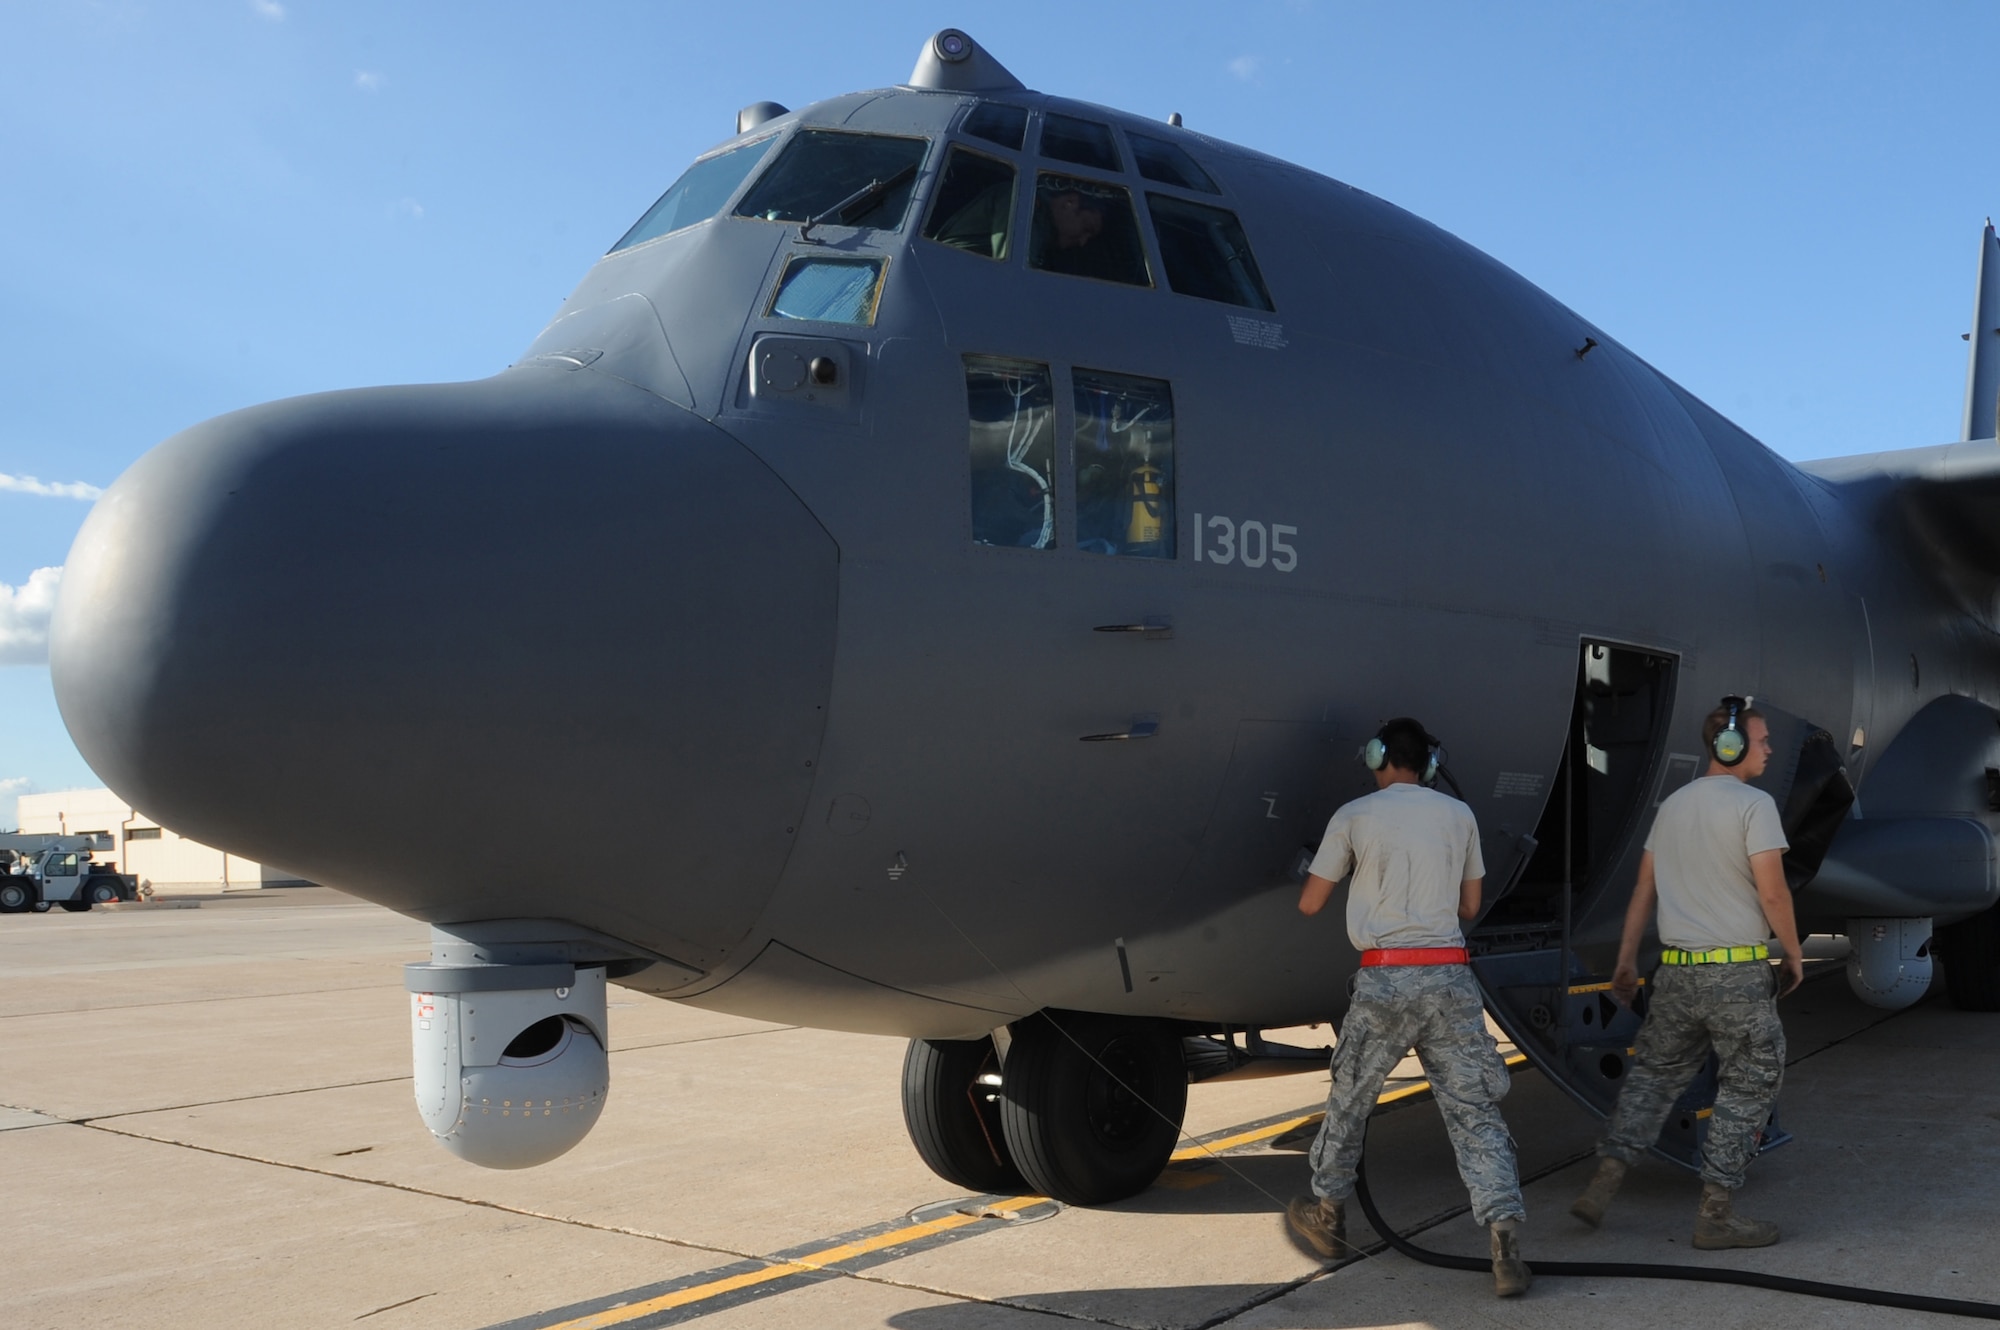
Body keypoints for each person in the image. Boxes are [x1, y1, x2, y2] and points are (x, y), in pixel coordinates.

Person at [1285, 717, 1530, 1298]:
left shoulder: (1353, 816)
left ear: (1376, 758)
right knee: (1475, 1113)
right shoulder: (1459, 815)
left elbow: (1310, 903)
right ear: (1430, 764)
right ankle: (1505, 1249)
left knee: (1349, 1101)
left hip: (1385, 978)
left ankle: (1327, 1216)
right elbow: (1470, 905)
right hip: (1450, 977)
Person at [1569, 697, 1802, 1249]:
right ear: (1732, 746)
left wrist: (1626, 962)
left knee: (1653, 1078)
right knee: (1750, 1081)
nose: (1769, 748)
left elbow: (1643, 891)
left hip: (1675, 973)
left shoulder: (1672, 806)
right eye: (1762, 740)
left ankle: (1605, 1182)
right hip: (1735, 973)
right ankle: (1716, 1213)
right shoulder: (1754, 805)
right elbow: (1772, 890)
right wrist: (1792, 952)